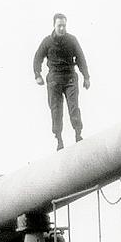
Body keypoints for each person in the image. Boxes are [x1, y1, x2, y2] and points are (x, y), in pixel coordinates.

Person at [33, 13, 91, 150]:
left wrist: (86, 77)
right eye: (59, 26)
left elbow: (81, 58)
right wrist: (37, 75)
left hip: (70, 77)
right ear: (54, 25)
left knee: (74, 107)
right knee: (56, 110)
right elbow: (37, 58)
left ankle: (78, 134)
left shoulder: (72, 40)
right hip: (54, 80)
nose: (62, 28)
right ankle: (59, 140)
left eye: (64, 26)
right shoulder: (47, 41)